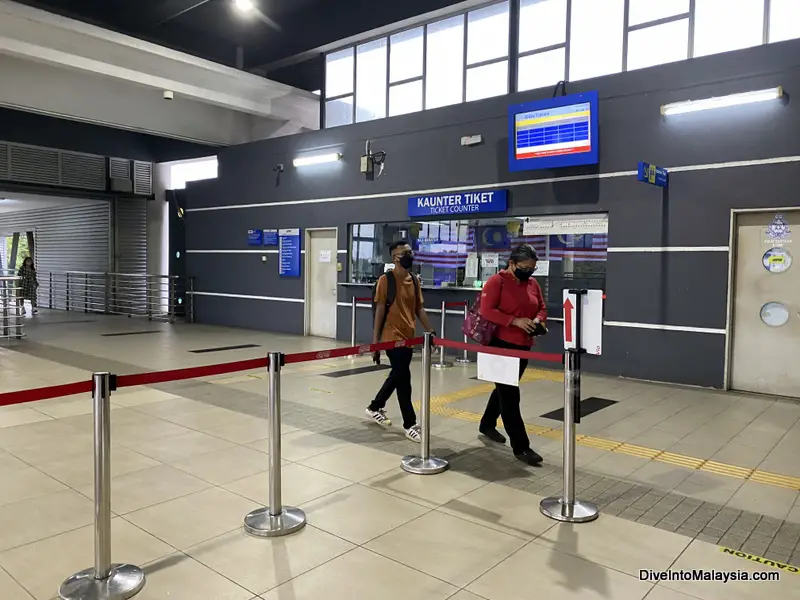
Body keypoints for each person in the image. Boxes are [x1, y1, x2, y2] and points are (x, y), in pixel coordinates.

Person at [478, 244, 546, 465]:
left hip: (523, 344)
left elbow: (542, 307)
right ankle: (521, 447)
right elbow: (486, 310)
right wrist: (514, 321)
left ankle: (487, 424)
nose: (529, 272)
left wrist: (537, 321)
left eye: (532, 269)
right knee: (510, 395)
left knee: (504, 388)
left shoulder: (532, 284)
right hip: (501, 344)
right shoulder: (497, 282)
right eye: (525, 268)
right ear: (512, 263)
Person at [366, 240, 435, 442]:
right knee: (404, 379)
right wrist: (375, 343)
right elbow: (379, 310)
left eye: (410, 252)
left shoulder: (414, 280)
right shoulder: (386, 280)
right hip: (391, 336)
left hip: (408, 336)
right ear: (394, 257)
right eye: (405, 253)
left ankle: (375, 406)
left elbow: (418, 309)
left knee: (398, 375)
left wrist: (430, 330)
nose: (409, 255)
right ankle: (410, 424)